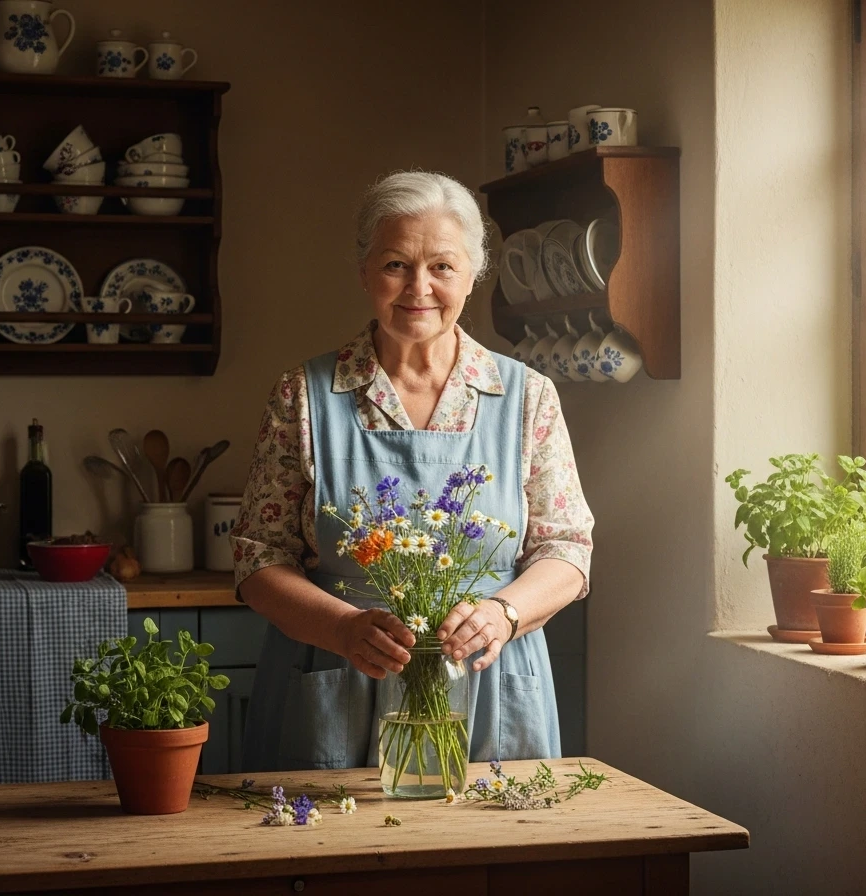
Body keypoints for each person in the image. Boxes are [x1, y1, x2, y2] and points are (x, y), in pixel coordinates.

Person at [231, 170, 594, 771]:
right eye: (396, 264)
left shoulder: (527, 397)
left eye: (442, 267)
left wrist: (502, 614)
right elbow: (257, 556)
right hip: (338, 679)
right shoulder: (304, 395)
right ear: (364, 271)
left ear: (474, 274)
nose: (418, 288)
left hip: (489, 685)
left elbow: (567, 548)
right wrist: (345, 630)